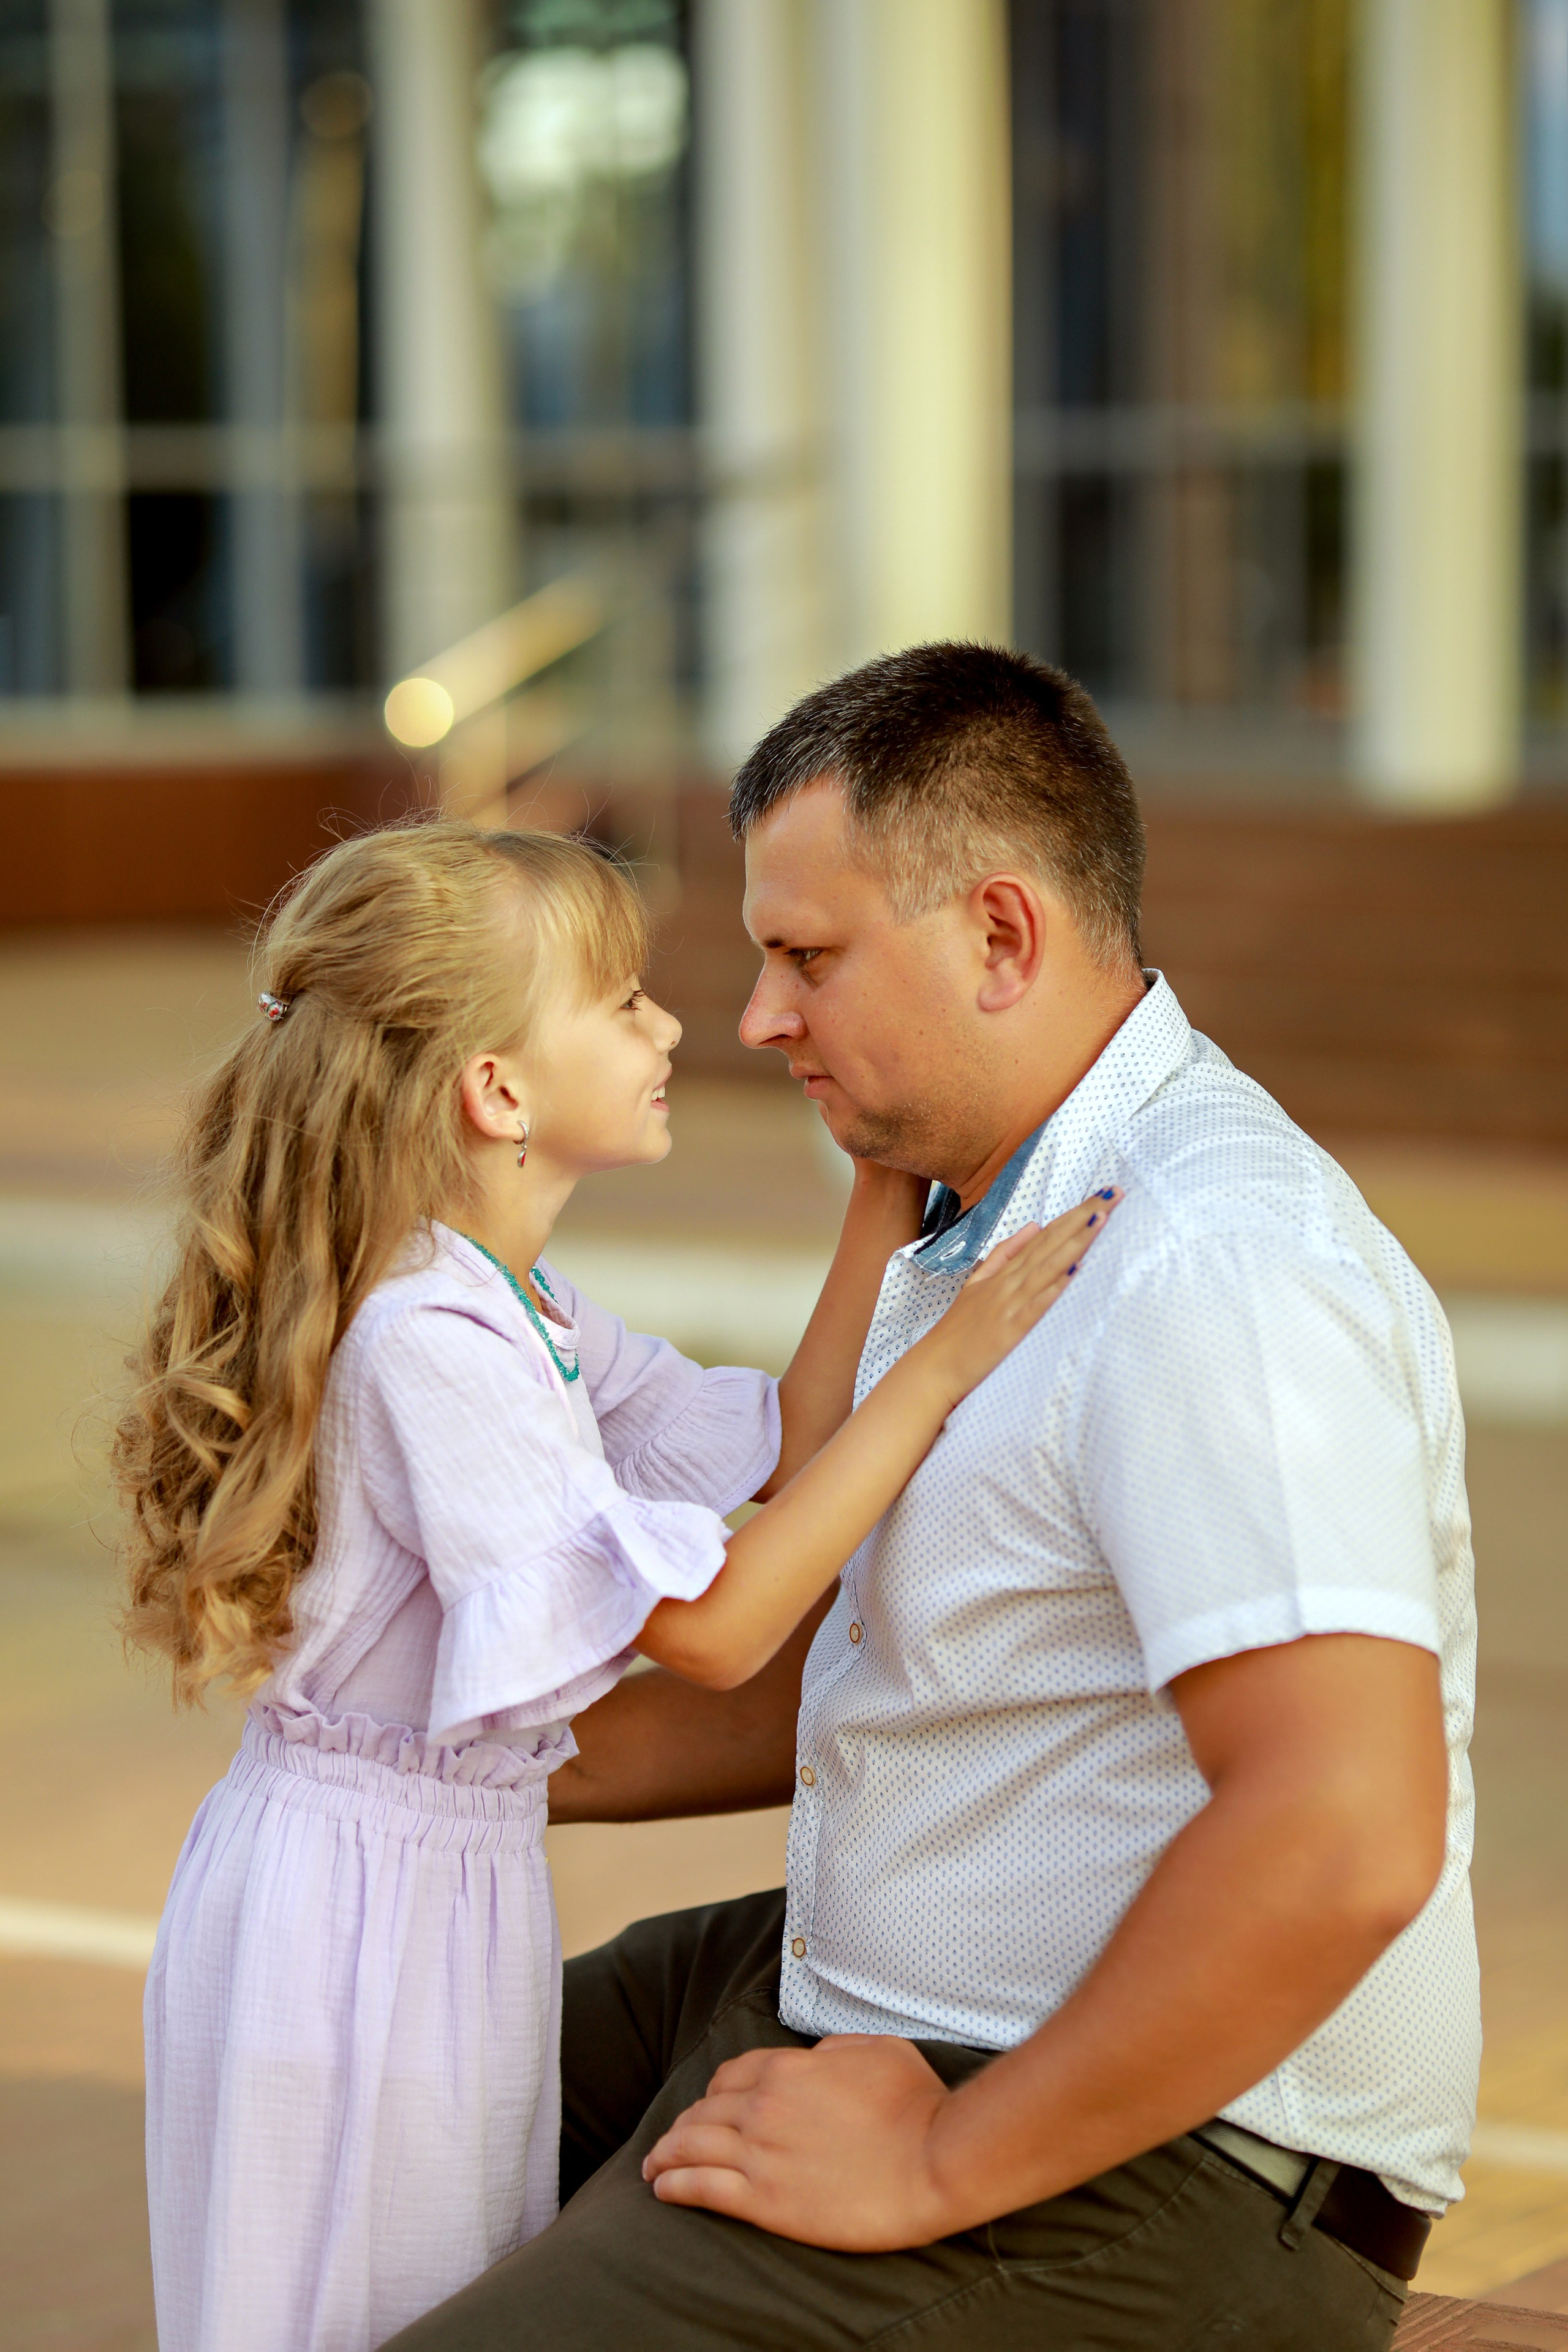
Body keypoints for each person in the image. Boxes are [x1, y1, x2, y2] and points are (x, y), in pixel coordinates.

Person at [384, 645, 1479, 2352]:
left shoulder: (1212, 1266)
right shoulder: (987, 1205)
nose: (758, 1019)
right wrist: (410, 1769)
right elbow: (904, 1664)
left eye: (807, 959)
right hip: (857, 1987)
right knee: (362, 2092)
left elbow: (1345, 1828)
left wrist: (936, 2166)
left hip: (1166, 2161)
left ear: (999, 938)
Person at [111, 817, 1107, 2352]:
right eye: (622, 1002)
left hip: (436, 1886)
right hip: (345, 1912)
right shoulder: (428, 1340)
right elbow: (709, 1631)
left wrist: (881, 1179)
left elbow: (785, 1445)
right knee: (352, 2316)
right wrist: (946, 1365)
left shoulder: (514, 1300)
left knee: (435, 2291)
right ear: (497, 1090)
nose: (672, 1030)